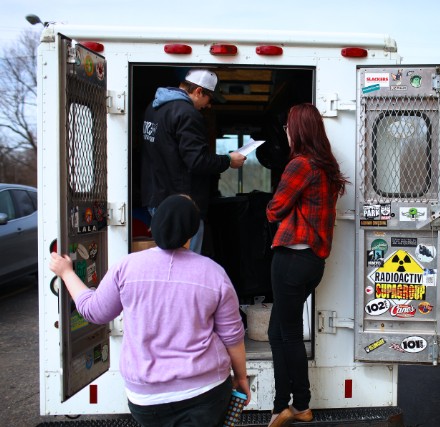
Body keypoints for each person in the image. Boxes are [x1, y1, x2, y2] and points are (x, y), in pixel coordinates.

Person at [49, 194, 251, 427]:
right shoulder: (214, 273)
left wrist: (66, 273)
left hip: (146, 399)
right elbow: (232, 337)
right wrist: (242, 377)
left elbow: (93, 312)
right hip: (205, 391)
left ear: (153, 226)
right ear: (193, 231)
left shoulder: (126, 267)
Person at [265, 103, 348, 427]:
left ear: (298, 130)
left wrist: (272, 208)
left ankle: (296, 405)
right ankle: (287, 405)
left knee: (287, 334)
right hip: (312, 261)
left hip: (292, 259)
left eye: (288, 126)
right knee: (278, 332)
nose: (286, 131)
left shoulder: (300, 164)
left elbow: (274, 209)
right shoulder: (326, 167)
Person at [140, 68, 247, 253]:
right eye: (209, 99)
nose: (209, 106)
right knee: (185, 262)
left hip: (156, 199)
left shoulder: (153, 108)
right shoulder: (187, 113)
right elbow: (197, 160)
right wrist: (228, 160)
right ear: (198, 91)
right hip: (182, 205)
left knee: (166, 260)